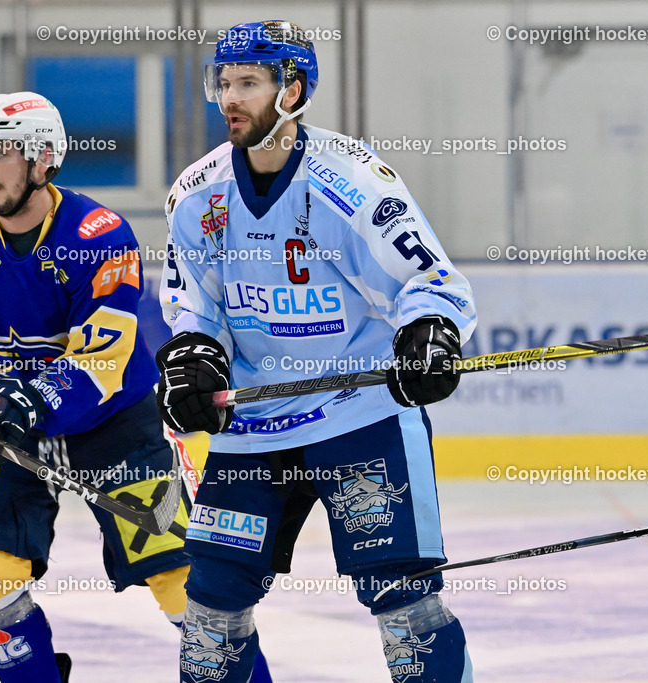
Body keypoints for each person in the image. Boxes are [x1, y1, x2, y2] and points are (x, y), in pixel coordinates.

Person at [0, 92, 271, 682]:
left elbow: (104, 357)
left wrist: (29, 399)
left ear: (44, 159)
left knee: (190, 586)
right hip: (7, 431)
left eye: (3, 153)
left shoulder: (97, 234)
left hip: (112, 426)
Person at [157, 20, 477, 683]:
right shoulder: (197, 195)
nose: (230, 98)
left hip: (355, 414)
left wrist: (429, 332)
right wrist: (195, 353)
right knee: (211, 615)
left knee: (404, 605)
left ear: (293, 89)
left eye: (249, 82)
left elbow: (428, 280)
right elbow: (197, 303)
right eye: (223, 82)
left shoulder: (353, 182)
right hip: (252, 427)